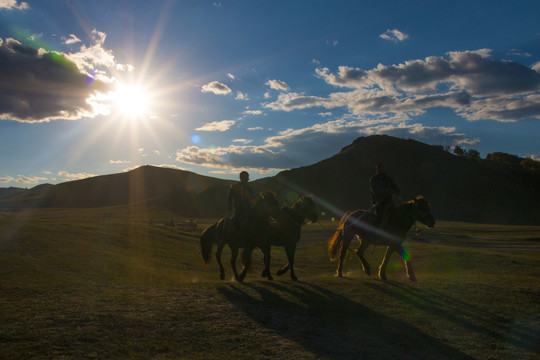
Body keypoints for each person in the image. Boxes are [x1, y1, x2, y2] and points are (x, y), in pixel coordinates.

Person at [369, 162, 400, 227]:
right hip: (377, 201)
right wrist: (389, 191)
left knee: (396, 213)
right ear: (376, 169)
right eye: (379, 167)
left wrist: (397, 191)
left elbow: (394, 186)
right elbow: (375, 191)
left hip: (388, 200)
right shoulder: (373, 179)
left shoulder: (388, 178)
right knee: (379, 216)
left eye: (381, 167)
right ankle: (377, 230)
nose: (380, 169)